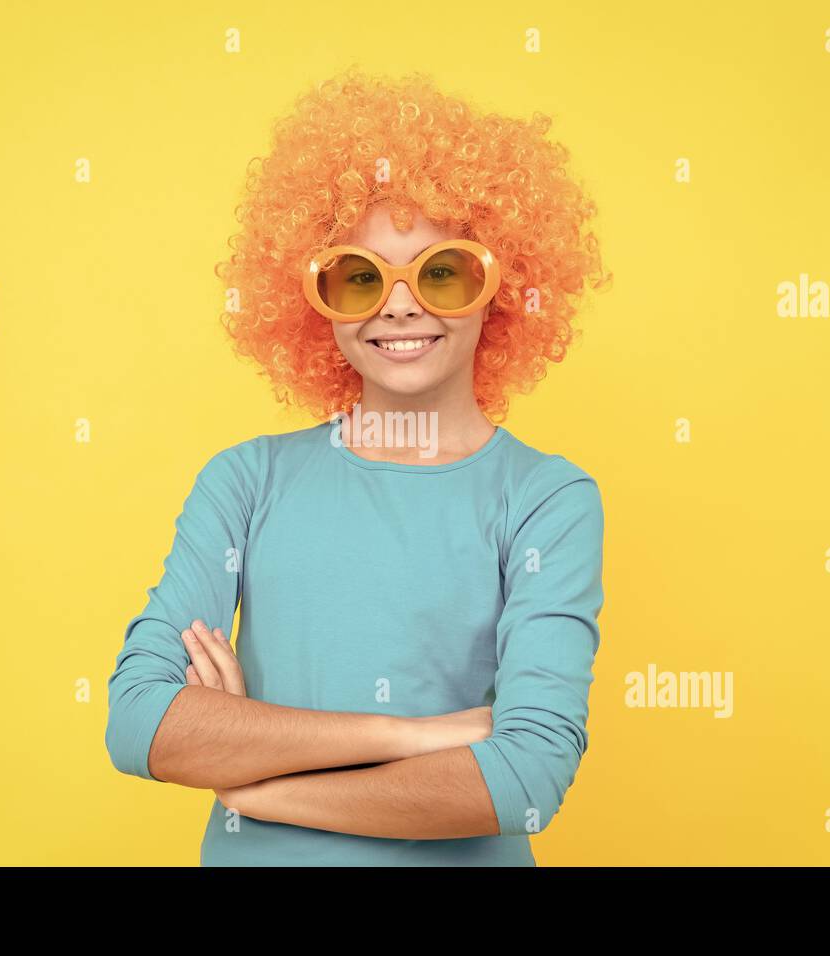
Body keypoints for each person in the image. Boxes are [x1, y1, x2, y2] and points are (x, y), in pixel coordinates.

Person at [105, 67, 611, 866]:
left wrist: (257, 783)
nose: (400, 305)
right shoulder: (245, 483)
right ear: (316, 299)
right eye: (360, 277)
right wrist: (411, 736)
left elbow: (524, 780)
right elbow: (141, 725)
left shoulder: (547, 500)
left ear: (499, 289)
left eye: (442, 271)